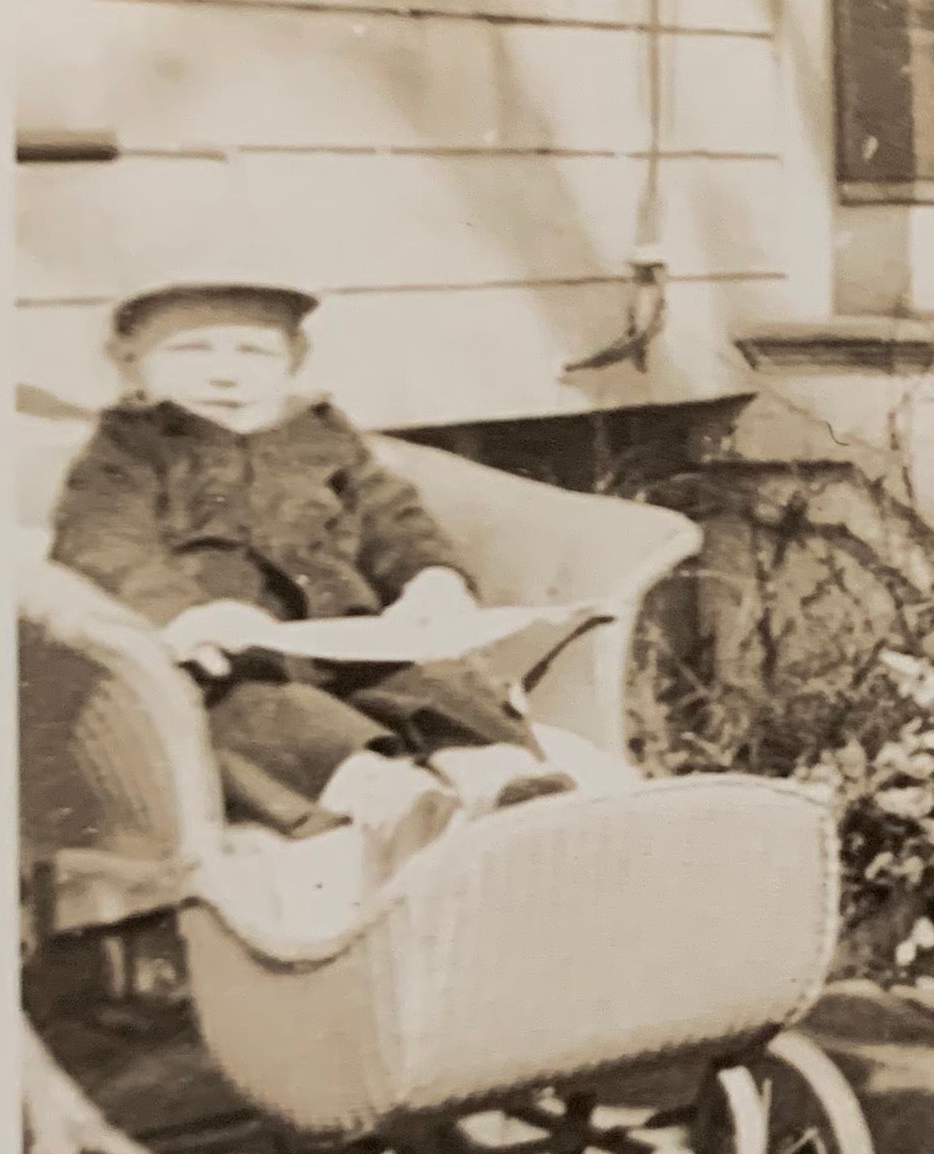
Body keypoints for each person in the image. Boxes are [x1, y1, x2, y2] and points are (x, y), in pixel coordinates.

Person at [50, 270, 589, 889]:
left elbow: (393, 520)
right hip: (228, 649)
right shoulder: (129, 453)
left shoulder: (324, 440)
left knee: (437, 677)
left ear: (294, 360)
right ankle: (385, 797)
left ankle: (498, 774)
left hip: (347, 633)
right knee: (240, 713)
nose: (224, 374)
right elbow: (106, 544)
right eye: (189, 350)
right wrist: (183, 613)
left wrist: (430, 577)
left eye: (253, 351)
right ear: (130, 364)